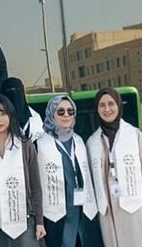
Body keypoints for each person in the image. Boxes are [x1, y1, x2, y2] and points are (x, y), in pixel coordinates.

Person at [86, 90, 142, 247]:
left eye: (111, 104)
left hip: (137, 209)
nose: (107, 109)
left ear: (118, 105)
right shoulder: (92, 142)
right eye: (102, 105)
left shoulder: (134, 135)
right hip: (109, 212)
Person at [0, 97, 43, 247]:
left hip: (22, 222)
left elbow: (35, 185)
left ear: (11, 115)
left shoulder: (25, 146)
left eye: (2, 113)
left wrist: (39, 221)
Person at [35, 96, 102, 247]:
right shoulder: (39, 144)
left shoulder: (79, 141)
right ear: (51, 114)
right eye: (60, 111)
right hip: (56, 215)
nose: (66, 115)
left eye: (70, 111)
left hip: (84, 212)